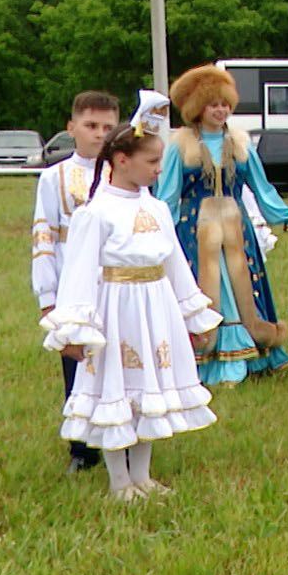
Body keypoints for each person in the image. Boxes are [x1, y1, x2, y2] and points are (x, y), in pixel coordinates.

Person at [43, 114, 220, 501]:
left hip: (156, 309)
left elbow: (174, 263)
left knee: (149, 390)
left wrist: (193, 314)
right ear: (122, 159)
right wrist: (75, 327)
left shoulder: (156, 208)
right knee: (117, 389)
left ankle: (142, 475)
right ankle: (119, 481)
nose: (159, 169)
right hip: (116, 311)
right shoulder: (96, 212)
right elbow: (79, 271)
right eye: (152, 162)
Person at [157, 64, 288, 387]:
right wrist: (158, 233)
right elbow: (168, 195)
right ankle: (204, 356)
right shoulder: (180, 146)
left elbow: (262, 188)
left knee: (241, 286)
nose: (220, 110)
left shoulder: (241, 144)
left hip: (236, 231)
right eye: (213, 104)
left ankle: (245, 352)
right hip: (194, 232)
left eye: (224, 104)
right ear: (198, 108)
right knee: (204, 289)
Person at [33, 89, 120, 474]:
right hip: (74, 286)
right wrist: (48, 296)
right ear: (72, 128)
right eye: (90, 125)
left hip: (118, 283)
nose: (99, 134)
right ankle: (82, 449)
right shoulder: (55, 178)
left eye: (108, 127)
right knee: (79, 363)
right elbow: (44, 235)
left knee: (119, 358)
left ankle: (123, 436)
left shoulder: (125, 175)